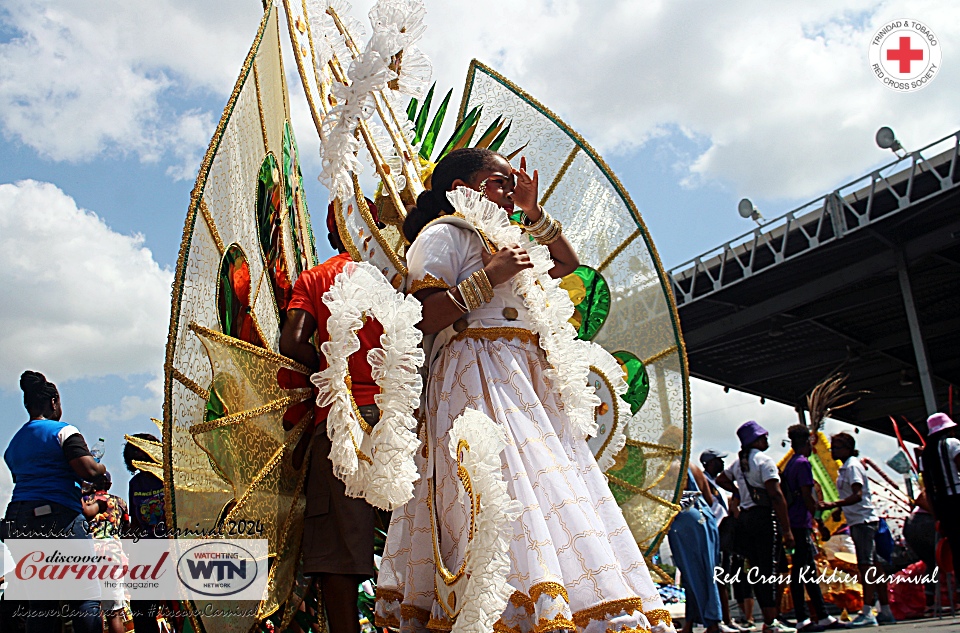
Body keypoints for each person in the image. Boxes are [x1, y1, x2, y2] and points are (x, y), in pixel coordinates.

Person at [375, 148, 674, 631]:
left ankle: (562, 604)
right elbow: (424, 316)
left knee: (553, 482)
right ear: (464, 188)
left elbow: (567, 265)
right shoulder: (444, 234)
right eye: (499, 180)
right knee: (505, 485)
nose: (511, 189)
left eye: (513, 181)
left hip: (528, 376)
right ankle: (509, 607)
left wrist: (534, 215)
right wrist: (490, 277)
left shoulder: (511, 235)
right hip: (477, 369)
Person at [279, 202, 385, 633]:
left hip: (339, 419)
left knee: (340, 547)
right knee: (416, 530)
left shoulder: (315, 277)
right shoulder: (397, 277)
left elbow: (292, 342)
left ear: (332, 236)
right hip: (402, 419)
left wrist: (332, 372)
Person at [2, 370, 105, 633]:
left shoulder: (13, 445)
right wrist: (102, 471)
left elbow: (38, 476)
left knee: (41, 601)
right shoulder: (63, 431)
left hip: (19, 519)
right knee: (84, 595)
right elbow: (88, 471)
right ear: (54, 403)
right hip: (59, 518)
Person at [716, 421, 796, 633]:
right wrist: (787, 530)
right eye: (764, 437)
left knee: (757, 570)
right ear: (757, 440)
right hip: (764, 518)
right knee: (768, 569)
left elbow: (721, 479)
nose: (767, 440)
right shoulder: (764, 461)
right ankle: (771, 621)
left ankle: (769, 620)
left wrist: (740, 492)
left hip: (747, 519)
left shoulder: (738, 464)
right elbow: (776, 496)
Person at [819, 432, 895, 626]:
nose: (832, 450)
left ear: (846, 448)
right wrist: (839, 509)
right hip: (859, 520)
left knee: (865, 565)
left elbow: (857, 494)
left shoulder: (852, 466)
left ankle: (868, 611)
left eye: (836, 447)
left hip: (862, 522)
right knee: (875, 566)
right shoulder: (846, 467)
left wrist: (833, 504)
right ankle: (885, 610)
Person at [782, 425, 847, 631]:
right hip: (801, 522)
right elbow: (809, 498)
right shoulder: (802, 464)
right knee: (802, 572)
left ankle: (820, 615)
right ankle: (804, 618)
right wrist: (819, 521)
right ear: (808, 442)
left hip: (797, 521)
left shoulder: (792, 463)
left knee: (807, 571)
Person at [669, 464, 729, 633]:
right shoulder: (692, 466)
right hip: (705, 517)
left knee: (692, 573)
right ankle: (694, 622)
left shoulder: (669, 467)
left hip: (685, 519)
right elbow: (709, 499)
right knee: (706, 570)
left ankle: (711, 623)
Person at [123, 433, 165, 633]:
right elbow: (136, 523)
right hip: (148, 554)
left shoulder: (168, 476)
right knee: (141, 610)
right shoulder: (135, 484)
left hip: (173, 549)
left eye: (139, 450)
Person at [700, 449, 745, 632]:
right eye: (718, 460)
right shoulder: (704, 481)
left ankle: (726, 618)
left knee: (724, 577)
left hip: (724, 532)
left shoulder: (716, 483)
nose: (722, 464)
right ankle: (721, 619)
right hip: (714, 532)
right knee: (718, 578)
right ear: (709, 463)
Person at [83, 472, 131, 633]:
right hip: (112, 555)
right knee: (114, 611)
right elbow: (126, 529)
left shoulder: (85, 502)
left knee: (90, 608)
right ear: (109, 485)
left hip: (88, 554)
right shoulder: (119, 502)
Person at [919, 413, 960, 583]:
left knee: (957, 547)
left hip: (942, 505)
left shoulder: (926, 454)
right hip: (957, 497)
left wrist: (937, 515)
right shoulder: (952, 444)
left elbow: (927, 487)